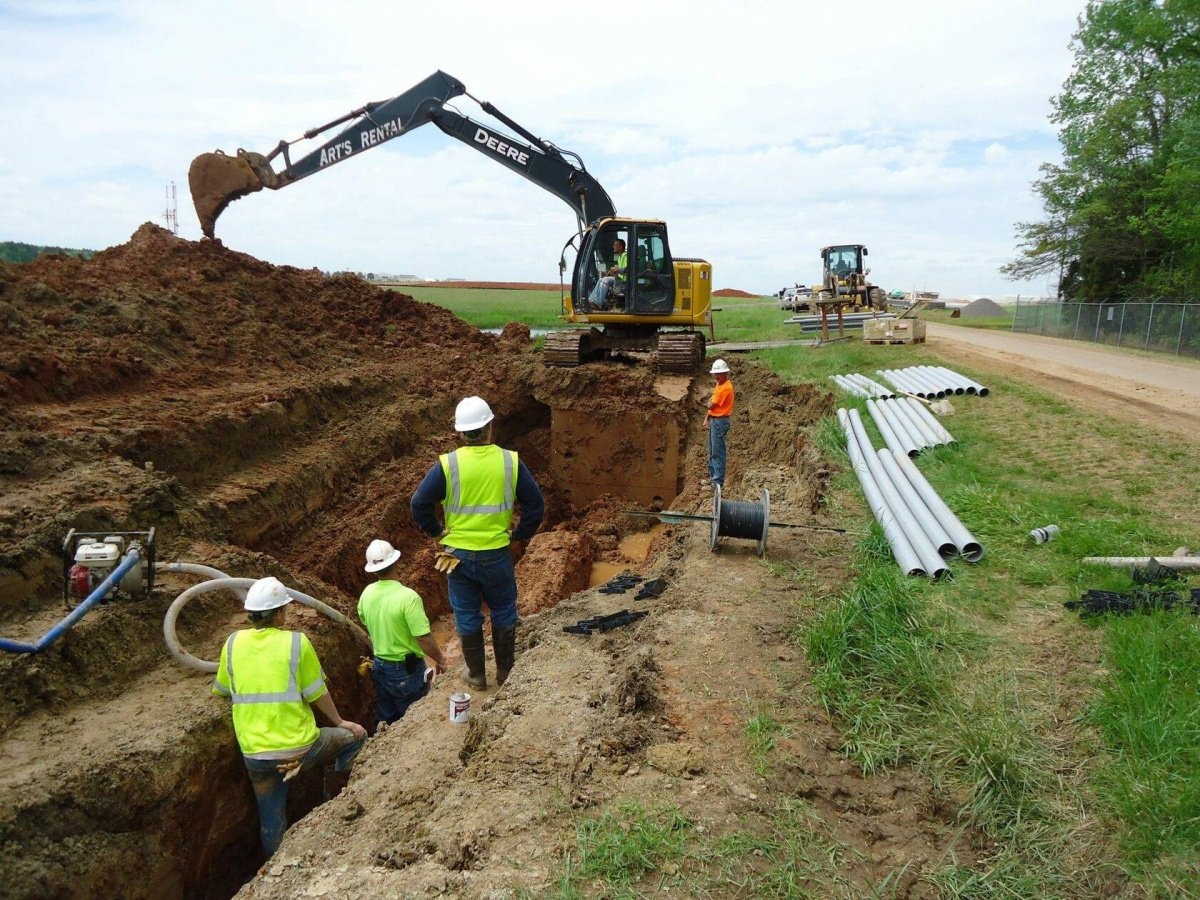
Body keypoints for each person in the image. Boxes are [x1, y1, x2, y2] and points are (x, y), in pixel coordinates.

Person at [212, 576, 367, 858]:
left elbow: (222, 689)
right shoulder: (297, 643)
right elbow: (317, 692)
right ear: (280, 612)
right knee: (355, 739)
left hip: (255, 755)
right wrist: (341, 722)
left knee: (271, 818)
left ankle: (273, 872)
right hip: (300, 749)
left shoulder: (232, 643)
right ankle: (334, 802)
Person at [410, 395, 545, 689]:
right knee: (504, 610)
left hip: (457, 556)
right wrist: (519, 534)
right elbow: (536, 505)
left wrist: (436, 533)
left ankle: (476, 674)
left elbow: (419, 504)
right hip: (496, 553)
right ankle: (506, 672)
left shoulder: (448, 465)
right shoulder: (510, 462)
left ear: (459, 433)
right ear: (490, 427)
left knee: (466, 613)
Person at [358, 539, 448, 725]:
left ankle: (381, 743)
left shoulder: (366, 593)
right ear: (396, 562)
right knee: (413, 717)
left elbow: (365, 620)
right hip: (405, 671)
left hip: (380, 666)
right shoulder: (408, 597)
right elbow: (423, 638)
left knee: (387, 714)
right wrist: (440, 660)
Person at [704, 358, 735, 490]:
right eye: (715, 374)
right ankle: (713, 479)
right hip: (715, 420)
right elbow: (711, 407)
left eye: (719, 374)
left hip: (720, 422)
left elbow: (710, 404)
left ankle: (717, 483)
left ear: (725, 373)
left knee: (717, 453)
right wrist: (707, 418)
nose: (717, 376)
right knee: (712, 451)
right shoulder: (720, 384)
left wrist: (709, 403)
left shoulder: (725, 388)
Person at [587, 238, 627, 310]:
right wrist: (614, 272)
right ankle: (591, 300)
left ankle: (597, 303)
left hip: (624, 281)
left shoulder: (625, 255)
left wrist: (617, 269)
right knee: (601, 280)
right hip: (619, 279)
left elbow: (628, 268)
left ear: (621, 247)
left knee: (605, 280)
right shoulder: (620, 257)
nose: (613, 247)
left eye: (615, 245)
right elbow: (621, 271)